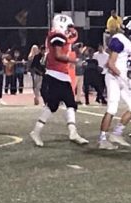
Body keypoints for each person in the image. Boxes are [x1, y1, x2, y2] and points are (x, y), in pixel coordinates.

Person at [29, 14, 90, 146]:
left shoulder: (56, 35)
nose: (70, 30)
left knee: (68, 104)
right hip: (55, 75)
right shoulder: (57, 36)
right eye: (68, 27)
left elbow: (73, 37)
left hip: (61, 75)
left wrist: (73, 31)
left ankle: (72, 132)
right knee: (54, 105)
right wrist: (75, 60)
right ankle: (37, 132)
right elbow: (58, 55)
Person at [98, 16, 131, 150]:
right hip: (113, 77)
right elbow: (110, 64)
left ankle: (116, 134)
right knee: (112, 108)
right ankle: (102, 139)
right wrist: (124, 78)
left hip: (121, 76)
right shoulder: (118, 40)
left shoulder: (129, 42)